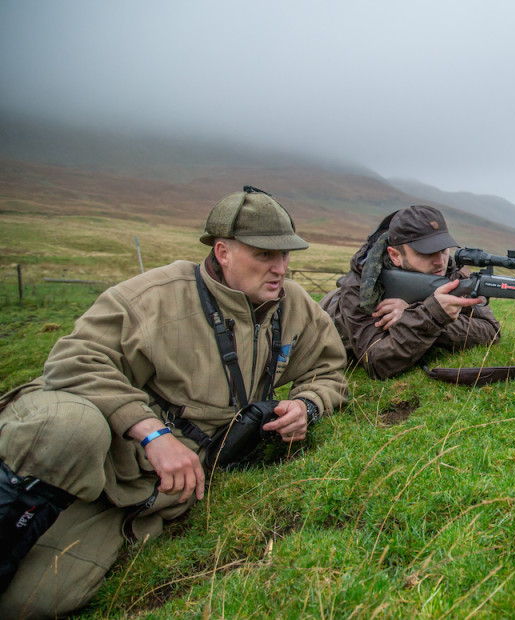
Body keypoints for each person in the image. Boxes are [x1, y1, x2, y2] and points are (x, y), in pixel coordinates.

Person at [0, 186, 348, 618]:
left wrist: (307, 406)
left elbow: (329, 371)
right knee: (69, 433)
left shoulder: (292, 305)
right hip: (100, 447)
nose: (280, 268)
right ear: (223, 251)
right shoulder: (153, 296)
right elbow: (73, 360)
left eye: (286, 255)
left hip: (153, 490)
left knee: (33, 602)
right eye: (264, 255)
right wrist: (152, 433)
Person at [320, 205, 500, 380]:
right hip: (329, 319)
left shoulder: (452, 270)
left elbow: (491, 332)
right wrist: (429, 314)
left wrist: (416, 313)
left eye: (443, 249)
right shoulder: (362, 286)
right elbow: (376, 362)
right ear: (395, 255)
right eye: (426, 253)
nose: (440, 262)